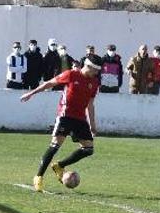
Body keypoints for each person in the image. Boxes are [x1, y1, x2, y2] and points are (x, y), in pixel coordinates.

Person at [21, 55, 102, 192]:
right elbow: (49, 83)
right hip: (65, 116)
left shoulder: (94, 83)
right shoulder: (70, 75)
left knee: (88, 149)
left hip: (80, 119)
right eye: (95, 70)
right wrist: (31, 93)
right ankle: (39, 177)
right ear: (88, 66)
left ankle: (59, 165)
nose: (96, 73)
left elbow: (90, 104)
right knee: (55, 146)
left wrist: (92, 124)